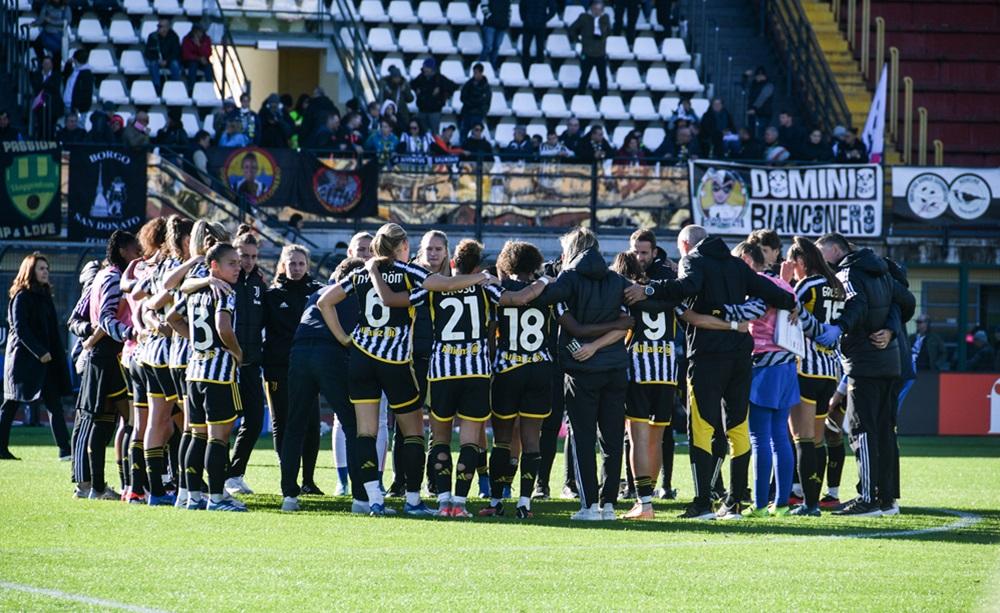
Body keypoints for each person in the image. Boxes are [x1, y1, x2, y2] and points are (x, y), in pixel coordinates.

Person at [317, 223, 497, 516]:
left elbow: (325, 302)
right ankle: (413, 500)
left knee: (365, 433)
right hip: (395, 361)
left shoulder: (361, 273)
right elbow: (444, 284)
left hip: (361, 358)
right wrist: (480, 277)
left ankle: (370, 498)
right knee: (412, 432)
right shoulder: (408, 271)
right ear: (401, 247)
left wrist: (343, 338)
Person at [624, 225, 797, 519]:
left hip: (706, 356)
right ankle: (734, 503)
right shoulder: (736, 265)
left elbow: (686, 287)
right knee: (738, 427)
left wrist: (648, 289)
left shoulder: (693, 261)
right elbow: (769, 290)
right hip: (741, 356)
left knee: (702, 428)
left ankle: (703, 502)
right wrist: (791, 302)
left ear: (685, 245)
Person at [369, 240, 546, 518]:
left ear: (453, 263)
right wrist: (544, 279)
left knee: (439, 439)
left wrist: (374, 272)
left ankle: (443, 502)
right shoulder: (486, 286)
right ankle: (460, 504)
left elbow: (390, 300)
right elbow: (518, 299)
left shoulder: (435, 289)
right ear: (477, 265)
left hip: (442, 371)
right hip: (475, 370)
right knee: (469, 441)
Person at [814, 232, 914, 516]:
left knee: (862, 430)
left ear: (835, 250)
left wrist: (839, 327)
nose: (821, 261)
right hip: (890, 362)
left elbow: (856, 304)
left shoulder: (848, 274)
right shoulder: (882, 270)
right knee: (884, 430)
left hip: (865, 363)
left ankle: (868, 498)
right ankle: (886, 499)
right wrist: (892, 329)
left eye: (822, 254)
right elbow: (905, 301)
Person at [728, 241, 800, 517]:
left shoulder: (757, 284)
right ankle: (781, 503)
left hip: (764, 366)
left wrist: (714, 310)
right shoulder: (784, 285)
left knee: (759, 437)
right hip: (786, 365)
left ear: (746, 259)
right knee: (780, 436)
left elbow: (750, 312)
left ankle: (758, 504)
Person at [485, 240, 556, 518]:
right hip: (539, 367)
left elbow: (491, 332)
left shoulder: (498, 289)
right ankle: (525, 502)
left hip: (508, 368)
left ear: (507, 262)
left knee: (502, 439)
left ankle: (495, 499)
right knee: (531, 439)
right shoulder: (547, 290)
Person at [780, 236, 845, 514]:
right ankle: (814, 501)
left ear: (801, 262)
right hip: (830, 371)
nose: (791, 268)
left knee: (802, 438)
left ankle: (808, 503)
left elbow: (791, 310)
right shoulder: (836, 285)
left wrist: (785, 284)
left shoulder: (807, 285)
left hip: (806, 367)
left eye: (792, 263)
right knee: (818, 439)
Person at [182, 243, 248, 512]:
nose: (238, 267)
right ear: (214, 267)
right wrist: (237, 352)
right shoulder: (224, 291)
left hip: (194, 372)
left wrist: (198, 344)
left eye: (238, 262)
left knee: (197, 437)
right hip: (218, 375)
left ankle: (192, 497)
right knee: (218, 438)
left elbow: (173, 317)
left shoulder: (196, 291)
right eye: (231, 263)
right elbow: (223, 327)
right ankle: (217, 499)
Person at [77, 231, 142, 500]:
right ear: (124, 251)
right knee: (133, 420)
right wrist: (129, 333)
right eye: (135, 248)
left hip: (100, 357)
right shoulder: (115, 277)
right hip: (112, 357)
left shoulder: (103, 275)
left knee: (102, 423)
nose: (139, 253)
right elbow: (105, 317)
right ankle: (131, 484)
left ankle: (98, 487)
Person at [0, 253, 72, 461]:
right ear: (30, 271)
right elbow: (20, 330)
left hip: (46, 362)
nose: (45, 272)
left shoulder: (45, 295)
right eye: (41, 268)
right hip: (24, 362)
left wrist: (53, 355)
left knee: (54, 404)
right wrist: (40, 352)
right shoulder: (21, 296)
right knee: (11, 403)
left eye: (47, 269)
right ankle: (1, 448)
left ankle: (65, 450)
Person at [225, 229, 267, 496]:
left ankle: (235, 474)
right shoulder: (225, 282)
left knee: (254, 419)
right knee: (223, 422)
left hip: (251, 364)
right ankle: (215, 477)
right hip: (226, 365)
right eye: (243, 256)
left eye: (253, 256)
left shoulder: (259, 284)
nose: (248, 262)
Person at [570, 0, 612, 99]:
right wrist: (578, 40)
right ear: (591, 8)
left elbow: (608, 32)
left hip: (600, 53)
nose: (597, 11)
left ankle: (604, 99)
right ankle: (581, 97)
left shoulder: (605, 18)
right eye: (595, 9)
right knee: (584, 77)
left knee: (603, 79)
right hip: (587, 52)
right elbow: (572, 29)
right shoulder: (584, 17)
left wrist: (600, 21)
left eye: (599, 9)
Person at [411, 58, 456, 135]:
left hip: (435, 111)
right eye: (424, 67)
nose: (425, 69)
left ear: (432, 69)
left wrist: (443, 95)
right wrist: (417, 90)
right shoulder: (420, 77)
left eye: (427, 67)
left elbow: (453, 86)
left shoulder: (440, 78)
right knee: (422, 132)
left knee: (435, 134)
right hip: (422, 109)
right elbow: (412, 84)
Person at [144, 17, 182, 92]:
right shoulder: (152, 37)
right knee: (153, 64)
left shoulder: (174, 37)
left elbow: (176, 52)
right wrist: (158, 60)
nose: (158, 28)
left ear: (167, 27)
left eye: (160, 26)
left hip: (169, 60)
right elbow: (148, 53)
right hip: (157, 60)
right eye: (158, 26)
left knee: (175, 64)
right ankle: (157, 87)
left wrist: (167, 60)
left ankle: (176, 86)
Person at [30, 56, 62, 140]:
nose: (46, 65)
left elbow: (54, 88)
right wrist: (46, 84)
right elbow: (35, 87)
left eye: (48, 63)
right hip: (40, 107)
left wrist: (43, 84)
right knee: (40, 127)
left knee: (51, 128)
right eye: (44, 63)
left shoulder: (56, 75)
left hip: (53, 108)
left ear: (51, 65)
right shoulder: (36, 75)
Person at [521, 0, 556, 71]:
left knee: (539, 49)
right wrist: (524, 19)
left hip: (539, 26)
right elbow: (521, 6)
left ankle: (538, 71)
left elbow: (553, 9)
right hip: (529, 25)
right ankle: (525, 71)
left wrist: (544, 19)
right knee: (526, 49)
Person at [459, 63, 491, 139]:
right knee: (463, 134)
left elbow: (485, 101)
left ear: (481, 73)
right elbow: (462, 97)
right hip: (467, 113)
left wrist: (482, 111)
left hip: (478, 114)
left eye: (476, 73)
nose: (474, 74)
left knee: (476, 135)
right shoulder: (468, 84)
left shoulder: (486, 87)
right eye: (474, 72)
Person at [478, 0, 511, 69]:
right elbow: (483, 6)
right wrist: (490, 18)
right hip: (490, 24)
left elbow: (509, 8)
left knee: (496, 47)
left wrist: (507, 19)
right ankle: (479, 67)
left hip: (502, 24)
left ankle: (492, 66)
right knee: (488, 46)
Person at [62, 48, 94, 116]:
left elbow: (86, 93)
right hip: (68, 106)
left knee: (78, 126)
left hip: (78, 109)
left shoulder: (86, 74)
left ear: (75, 59)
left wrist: (78, 107)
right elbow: (66, 75)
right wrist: (68, 64)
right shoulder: (75, 70)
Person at [181, 24, 213, 91]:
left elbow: (208, 53)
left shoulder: (206, 39)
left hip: (203, 61)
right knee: (193, 65)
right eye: (197, 32)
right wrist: (198, 58)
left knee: (209, 66)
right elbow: (186, 54)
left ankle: (210, 87)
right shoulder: (187, 39)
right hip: (190, 61)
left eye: (200, 32)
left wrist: (199, 46)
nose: (199, 34)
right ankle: (191, 89)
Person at [746, 66, 774, 138]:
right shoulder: (754, 84)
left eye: (760, 76)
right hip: (755, 113)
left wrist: (754, 109)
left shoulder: (768, 85)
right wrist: (745, 76)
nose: (758, 78)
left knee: (761, 135)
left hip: (763, 114)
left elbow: (762, 98)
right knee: (753, 134)